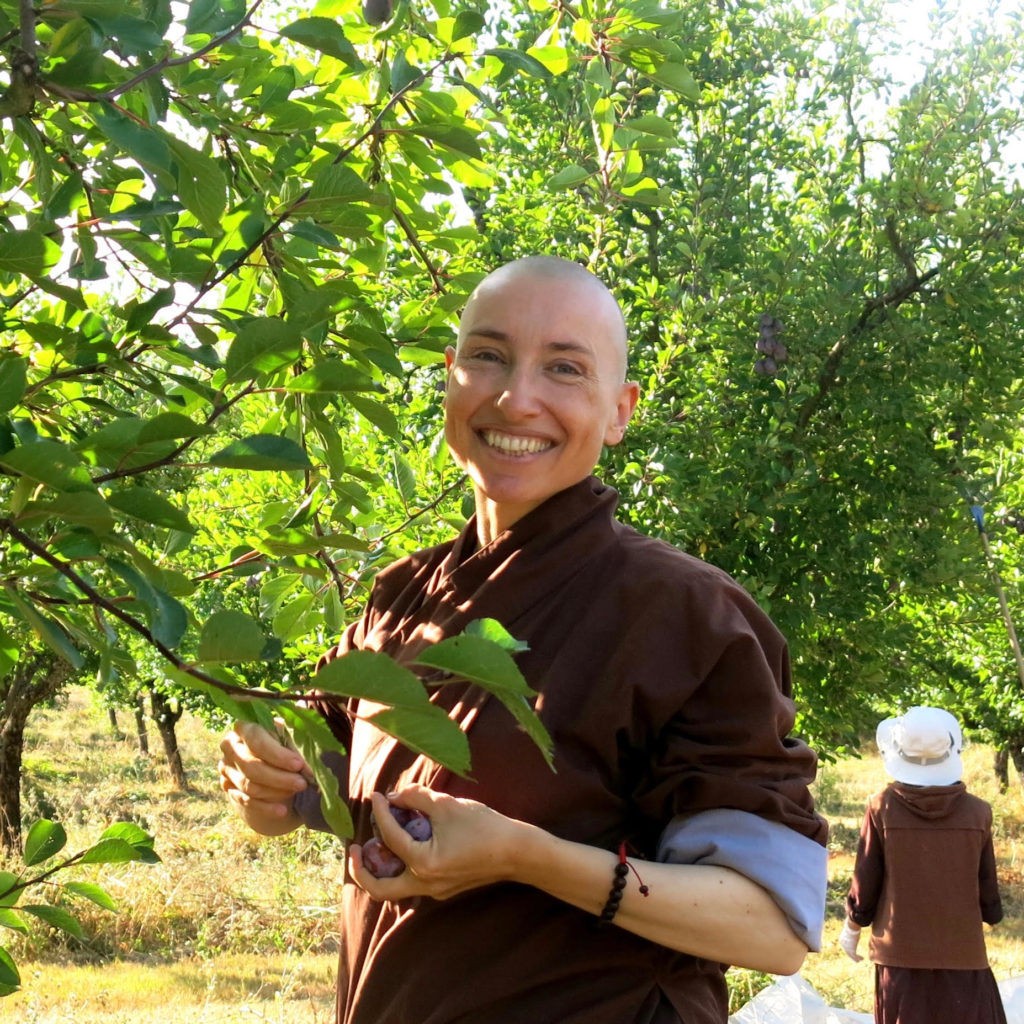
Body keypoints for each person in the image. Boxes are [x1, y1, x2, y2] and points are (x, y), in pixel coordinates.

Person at [218, 255, 829, 1024]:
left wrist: (526, 858)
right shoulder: (406, 598)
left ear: (619, 410)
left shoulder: (685, 615)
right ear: (450, 374)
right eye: (488, 356)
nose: (516, 397)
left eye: (566, 368)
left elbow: (771, 927)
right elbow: (313, 791)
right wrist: (262, 780)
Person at [840, 705, 1006, 1024]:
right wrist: (992, 912)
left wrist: (853, 926)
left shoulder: (881, 808)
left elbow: (866, 878)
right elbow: (987, 883)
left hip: (898, 954)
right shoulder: (978, 812)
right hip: (963, 950)